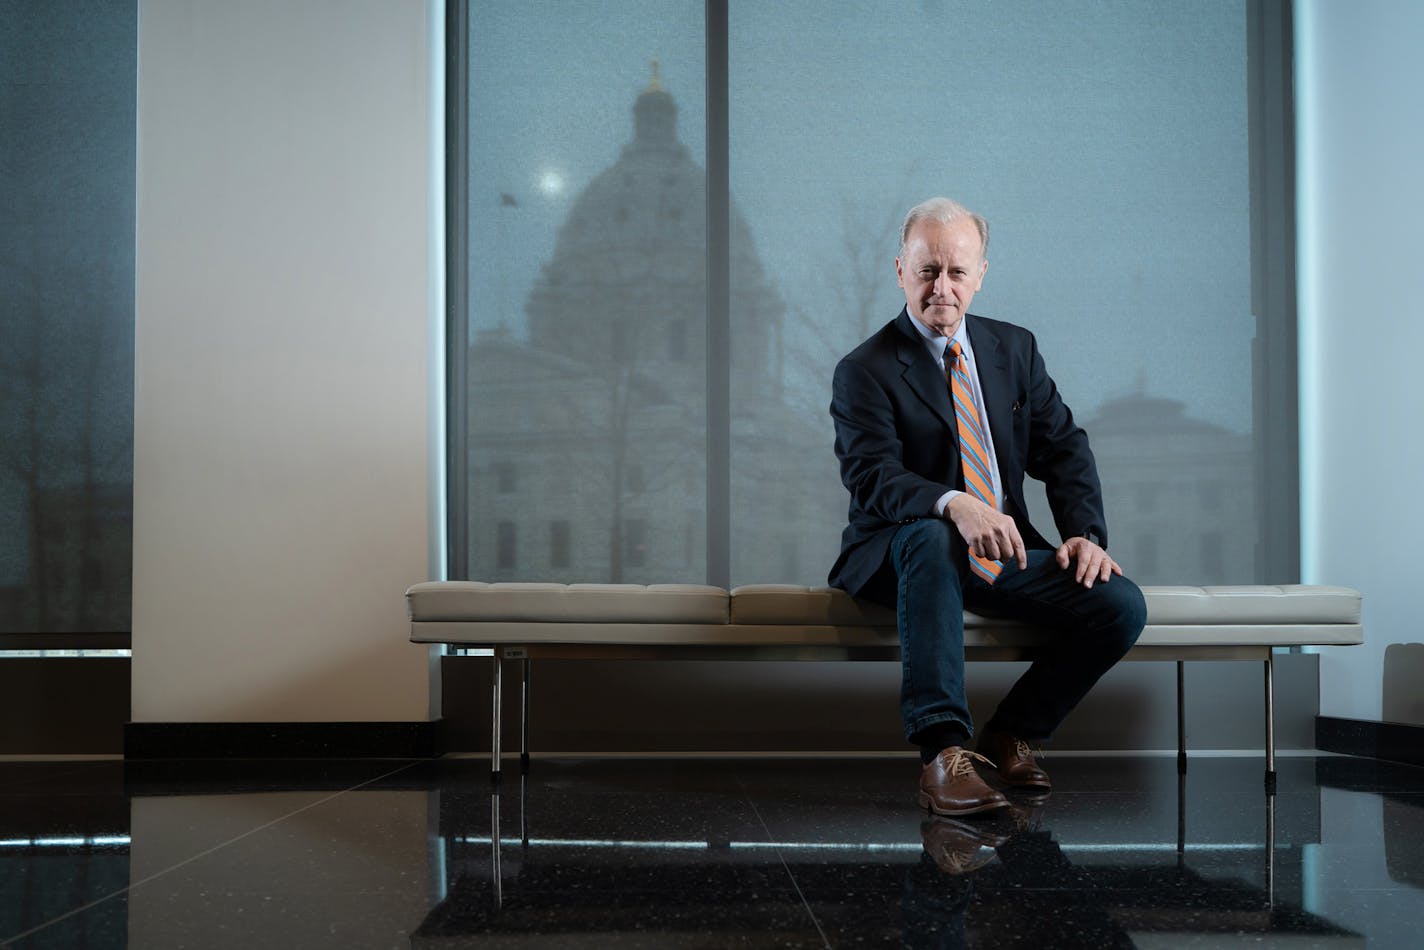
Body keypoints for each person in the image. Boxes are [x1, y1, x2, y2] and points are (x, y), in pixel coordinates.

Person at [829, 197, 1147, 817]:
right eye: (927, 271)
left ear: (980, 276)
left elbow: (1063, 449)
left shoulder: (1014, 350)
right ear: (900, 271)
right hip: (899, 554)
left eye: (956, 271)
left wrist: (1084, 533)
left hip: (1002, 551)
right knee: (931, 536)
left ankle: (1011, 735)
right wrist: (953, 504)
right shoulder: (863, 370)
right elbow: (871, 476)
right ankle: (942, 755)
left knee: (1119, 603)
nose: (941, 287)